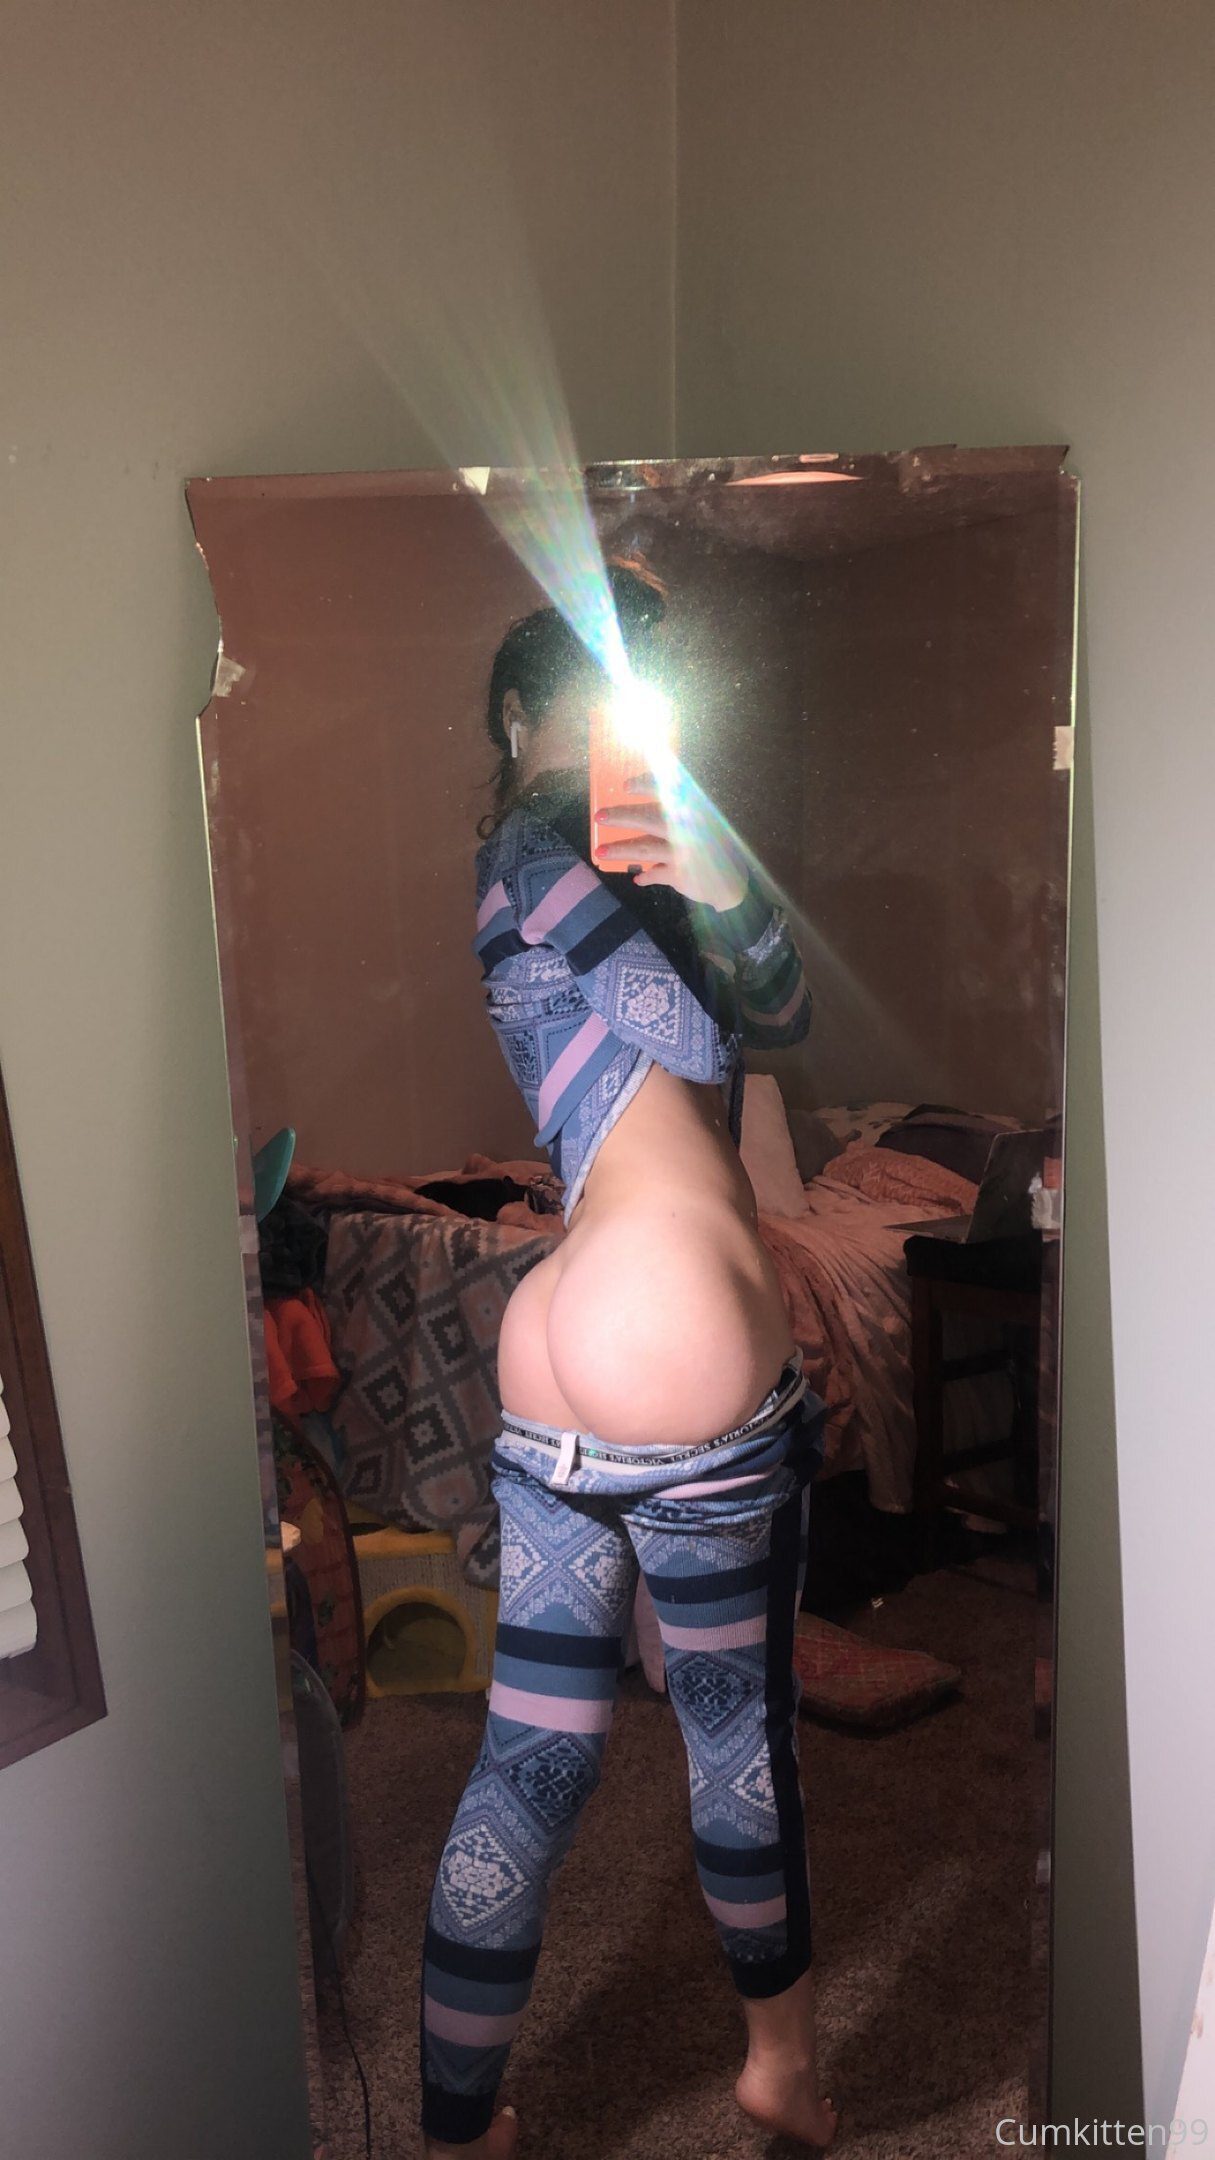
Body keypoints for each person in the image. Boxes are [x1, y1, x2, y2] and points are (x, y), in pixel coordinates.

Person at [420, 565, 837, 2156]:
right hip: (671, 1333)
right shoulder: (533, 847)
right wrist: (694, 871)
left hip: (562, 1339)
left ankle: (459, 2126)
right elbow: (691, 1035)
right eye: (588, 702)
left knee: (534, 1751)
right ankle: (781, 2066)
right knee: (735, 1736)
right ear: (521, 717)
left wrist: (712, 870)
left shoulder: (573, 870)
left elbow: (787, 1005)